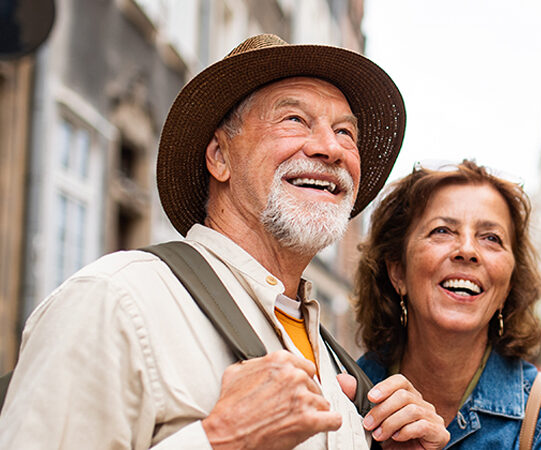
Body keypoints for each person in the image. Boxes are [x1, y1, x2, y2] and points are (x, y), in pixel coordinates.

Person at [0, 34, 448, 449]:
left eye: (345, 132)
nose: (330, 148)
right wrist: (219, 438)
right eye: (294, 119)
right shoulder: (114, 300)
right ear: (219, 156)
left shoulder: (339, 367)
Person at [353, 160, 541, 448]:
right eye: (442, 231)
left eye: (491, 238)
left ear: (509, 286)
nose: (467, 250)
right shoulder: (342, 394)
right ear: (398, 272)